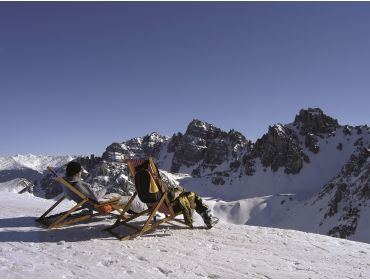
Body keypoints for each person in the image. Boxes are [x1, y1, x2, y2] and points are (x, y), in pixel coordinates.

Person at [134, 159, 219, 229]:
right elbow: (170, 196)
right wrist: (179, 190)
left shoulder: (143, 181)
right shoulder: (156, 182)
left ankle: (199, 217)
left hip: (155, 205)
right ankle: (208, 219)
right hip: (170, 206)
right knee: (192, 195)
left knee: (186, 195)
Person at [64, 161, 147, 214]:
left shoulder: (67, 182)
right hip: (98, 204)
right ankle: (146, 210)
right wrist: (106, 188)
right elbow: (96, 197)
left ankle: (136, 209)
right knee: (129, 199)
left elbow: (89, 195)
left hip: (90, 203)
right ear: (77, 173)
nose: (81, 173)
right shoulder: (77, 184)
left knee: (123, 198)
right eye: (80, 171)